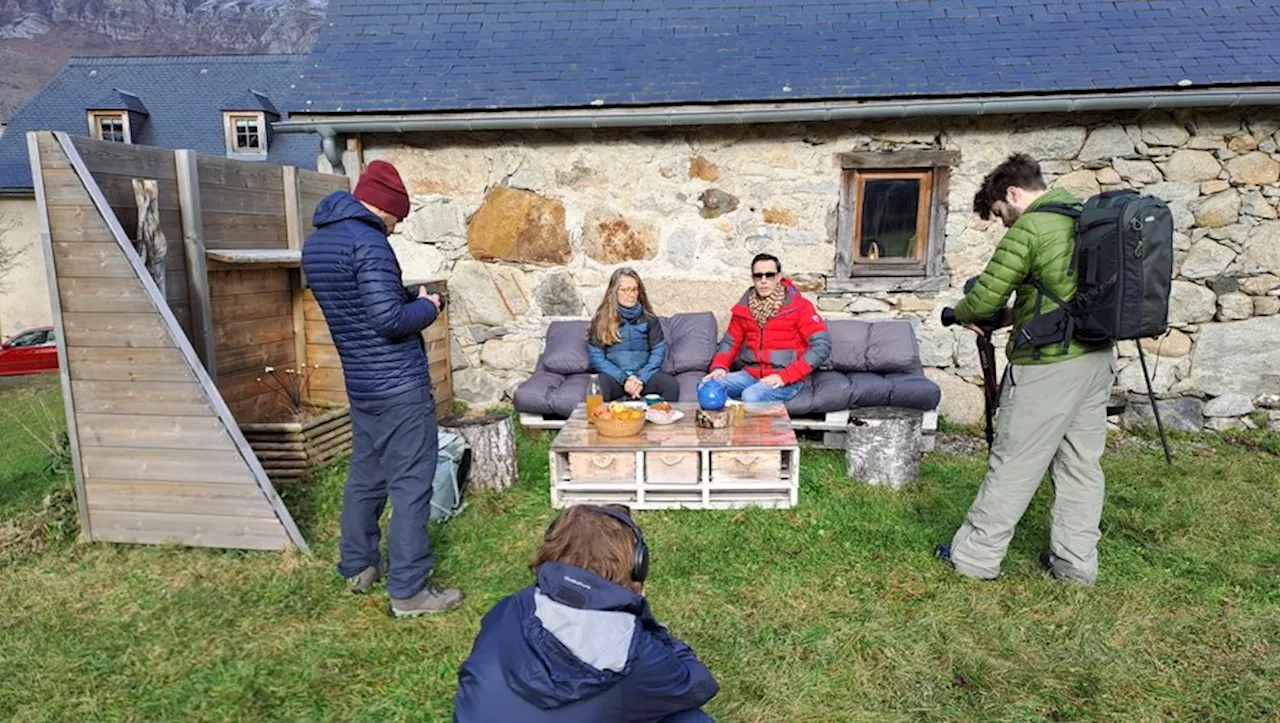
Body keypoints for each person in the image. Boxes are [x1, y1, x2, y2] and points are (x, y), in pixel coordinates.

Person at [935, 153, 1116, 586]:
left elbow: (983, 300)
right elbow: (1058, 296)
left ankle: (974, 558)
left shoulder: (1033, 226)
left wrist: (959, 312)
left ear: (1013, 194)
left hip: (1047, 365)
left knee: (1014, 461)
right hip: (1095, 358)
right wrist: (1012, 317)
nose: (1004, 224)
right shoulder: (1083, 216)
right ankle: (1075, 566)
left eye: (1001, 213)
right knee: (1080, 466)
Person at [301, 160, 463, 616]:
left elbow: (360, 304)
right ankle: (410, 591)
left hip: (362, 383)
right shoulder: (370, 242)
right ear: (385, 207)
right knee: (411, 484)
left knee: (366, 476)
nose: (395, 229)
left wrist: (408, 296)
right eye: (398, 219)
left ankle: (358, 566)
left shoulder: (320, 242)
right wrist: (429, 307)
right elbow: (388, 321)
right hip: (398, 385)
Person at [453, 504, 719, 722]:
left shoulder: (508, 608)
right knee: (686, 717)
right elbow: (696, 684)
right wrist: (642, 615)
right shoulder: (633, 652)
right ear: (638, 564)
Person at [703, 253, 831, 403]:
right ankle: (732, 419)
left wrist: (786, 377)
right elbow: (730, 343)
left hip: (786, 376)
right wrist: (720, 367)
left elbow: (821, 347)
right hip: (751, 374)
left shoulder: (800, 307)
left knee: (751, 396)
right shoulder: (744, 308)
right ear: (753, 279)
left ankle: (748, 419)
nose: (763, 281)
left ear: (778, 277)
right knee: (707, 387)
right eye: (758, 276)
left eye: (769, 275)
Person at [587, 268, 680, 402]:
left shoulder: (649, 318)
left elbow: (658, 351)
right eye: (626, 290)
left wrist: (640, 379)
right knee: (600, 385)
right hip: (615, 378)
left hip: (643, 378)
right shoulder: (601, 320)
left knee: (670, 384)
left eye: (635, 289)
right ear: (614, 292)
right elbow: (597, 357)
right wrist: (624, 379)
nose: (631, 295)